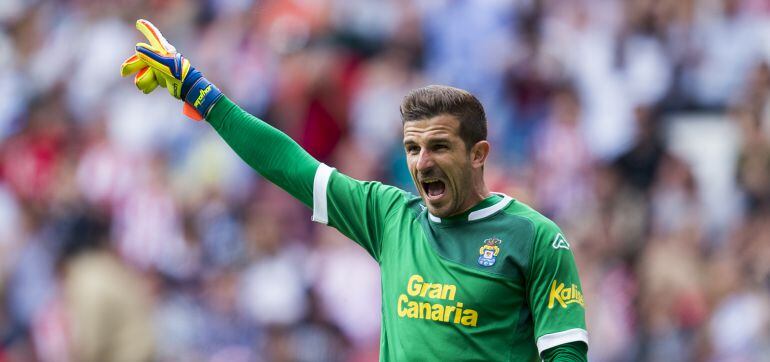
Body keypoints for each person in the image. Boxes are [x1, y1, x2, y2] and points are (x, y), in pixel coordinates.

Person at [120, 19, 588, 361]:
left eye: (439, 146)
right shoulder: (390, 216)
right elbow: (290, 165)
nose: (422, 162)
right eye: (412, 147)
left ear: (479, 154)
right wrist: (198, 91)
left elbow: (565, 355)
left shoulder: (535, 238)